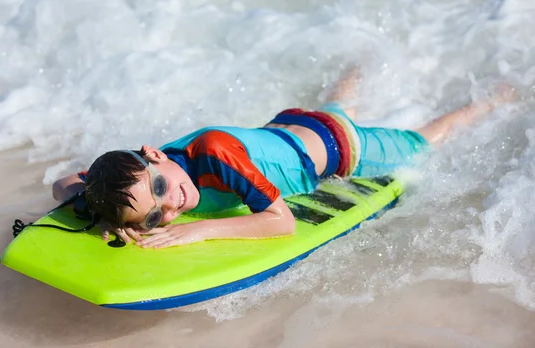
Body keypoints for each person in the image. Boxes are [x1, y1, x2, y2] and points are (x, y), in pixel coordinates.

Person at [52, 69, 513, 249]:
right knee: (337, 102)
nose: (173, 207)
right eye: (156, 216)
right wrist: (99, 207)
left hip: (341, 149)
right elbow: (65, 183)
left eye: (159, 188)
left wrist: (200, 230)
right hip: (289, 126)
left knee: (427, 140)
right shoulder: (137, 174)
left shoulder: (214, 154)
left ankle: (491, 100)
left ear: (153, 154)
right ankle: (357, 68)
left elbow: (281, 221)